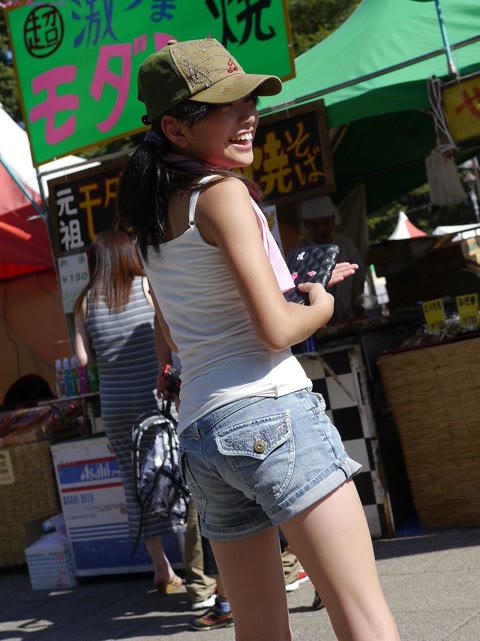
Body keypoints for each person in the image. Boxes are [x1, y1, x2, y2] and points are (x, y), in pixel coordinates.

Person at [117, 37, 400, 641]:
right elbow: (274, 330)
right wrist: (320, 305)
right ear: (175, 127)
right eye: (225, 107)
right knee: (363, 616)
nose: (248, 116)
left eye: (248, 101)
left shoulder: (153, 219)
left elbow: (178, 328)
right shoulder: (222, 194)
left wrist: (292, 294)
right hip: (271, 411)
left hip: (204, 432)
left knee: (259, 630)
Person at [73, 230, 183, 595]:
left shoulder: (85, 301)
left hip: (116, 406)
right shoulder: (146, 287)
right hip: (155, 398)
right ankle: (197, 563)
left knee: (134, 481)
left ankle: (161, 568)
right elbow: (167, 330)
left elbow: (83, 360)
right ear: (127, 255)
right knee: (173, 472)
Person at [299, 196, 366, 324]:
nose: (320, 229)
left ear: (333, 220)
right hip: (316, 323)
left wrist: (357, 304)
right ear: (307, 225)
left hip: (348, 318)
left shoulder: (346, 244)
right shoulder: (300, 253)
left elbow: (359, 279)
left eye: (324, 222)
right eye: (314, 224)